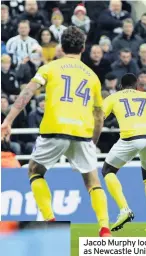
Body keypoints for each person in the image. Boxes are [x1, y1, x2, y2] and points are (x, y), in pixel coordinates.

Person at [1, 26, 112, 238]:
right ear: (83, 48)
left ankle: (50, 219)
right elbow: (99, 116)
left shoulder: (50, 68)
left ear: (61, 47)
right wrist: (93, 142)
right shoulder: (92, 77)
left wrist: (8, 120)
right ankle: (104, 228)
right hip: (81, 132)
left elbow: (28, 92)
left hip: (54, 129)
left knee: (34, 170)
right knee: (92, 181)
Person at [101, 73, 146, 232]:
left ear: (121, 86)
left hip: (131, 137)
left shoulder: (114, 97)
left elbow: (100, 116)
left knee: (108, 170)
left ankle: (124, 209)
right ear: (136, 87)